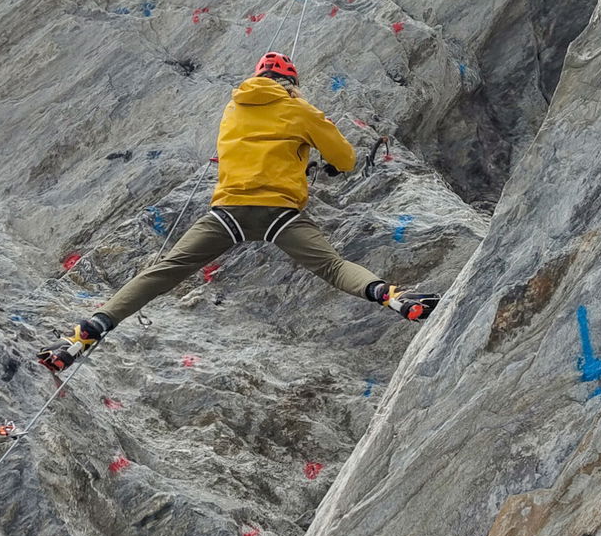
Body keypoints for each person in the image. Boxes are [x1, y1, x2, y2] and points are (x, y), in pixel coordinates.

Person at [38, 52, 438, 371]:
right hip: (280, 213)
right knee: (331, 266)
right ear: (291, 83)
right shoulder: (300, 110)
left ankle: (90, 329)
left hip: (227, 212)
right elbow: (346, 158)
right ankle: (391, 297)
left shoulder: (233, 110)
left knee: (166, 270)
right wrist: (318, 156)